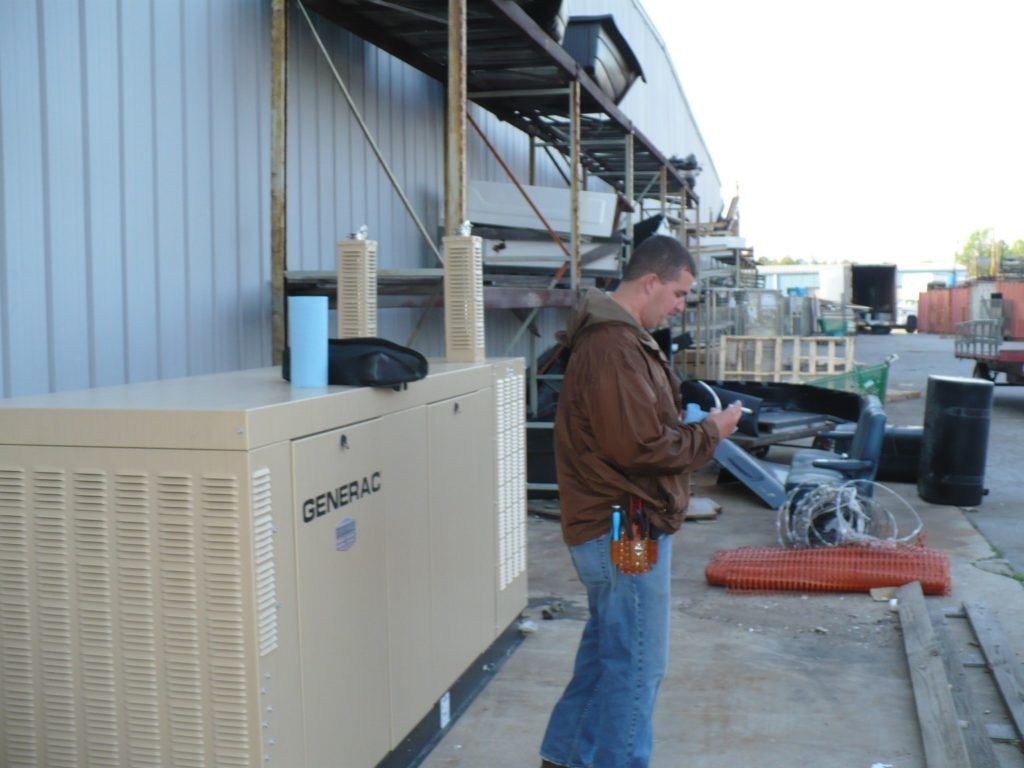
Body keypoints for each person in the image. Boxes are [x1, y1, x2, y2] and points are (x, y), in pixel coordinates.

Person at [539, 235, 742, 768]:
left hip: (615, 525)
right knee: (636, 667)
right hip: (626, 530)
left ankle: (563, 757)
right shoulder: (614, 347)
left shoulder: (618, 339)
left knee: (608, 654)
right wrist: (711, 433)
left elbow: (634, 432)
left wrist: (691, 422)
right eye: (678, 293)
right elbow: (640, 448)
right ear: (651, 282)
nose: (680, 306)